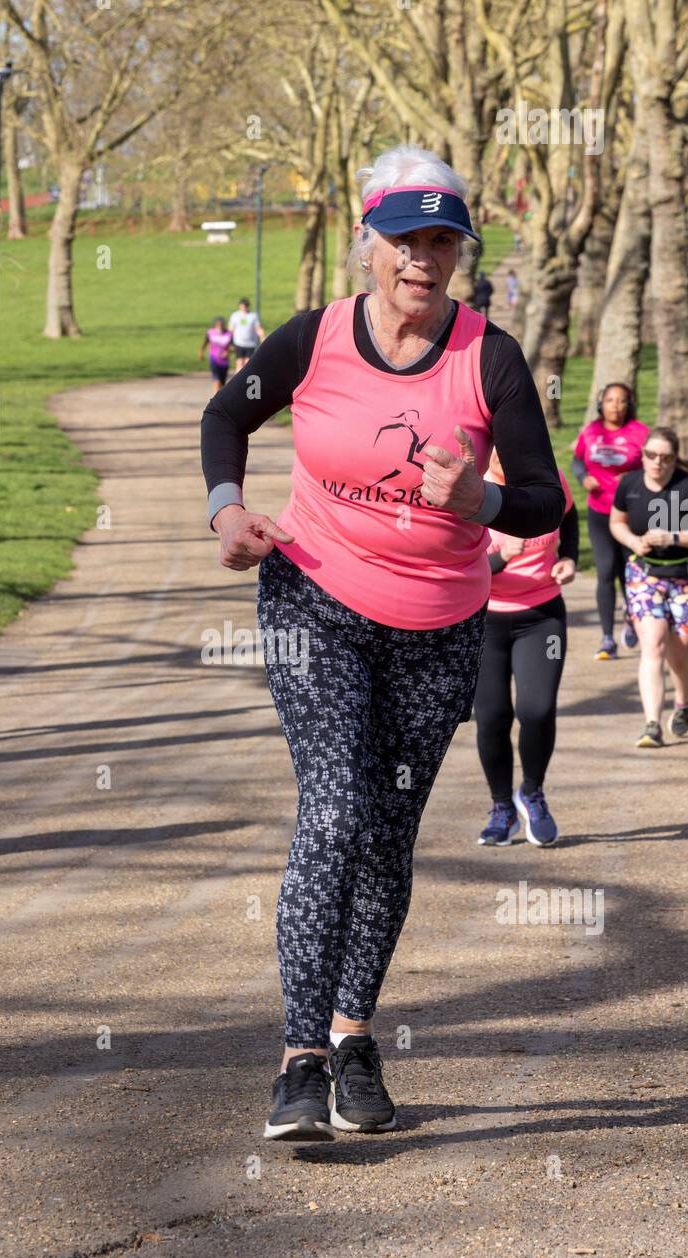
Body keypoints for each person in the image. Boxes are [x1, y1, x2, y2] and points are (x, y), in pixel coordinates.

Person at [201, 143, 563, 1142]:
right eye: (402, 237)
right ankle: (298, 1058)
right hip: (312, 601)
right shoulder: (313, 338)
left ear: (457, 251)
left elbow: (545, 506)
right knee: (332, 808)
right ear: (368, 243)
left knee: (387, 834)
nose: (419, 255)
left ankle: (355, 1036)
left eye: (439, 238)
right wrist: (228, 513)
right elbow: (222, 417)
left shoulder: (486, 355)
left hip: (438, 629)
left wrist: (480, 497)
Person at [474, 454, 578, 847]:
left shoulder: (547, 478)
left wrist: (568, 557)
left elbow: (568, 515)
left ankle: (532, 793)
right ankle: (502, 809)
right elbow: (455, 563)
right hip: (485, 617)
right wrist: (502, 557)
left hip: (542, 614)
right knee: (494, 717)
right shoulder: (470, 487)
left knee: (536, 710)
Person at [609, 426, 688, 748]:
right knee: (653, 645)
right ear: (642, 454)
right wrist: (632, 541)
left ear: (675, 459)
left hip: (683, 576)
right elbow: (617, 521)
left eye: (666, 458)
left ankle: (682, 704)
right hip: (643, 575)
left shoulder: (685, 486)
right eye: (651, 455)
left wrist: (672, 538)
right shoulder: (628, 484)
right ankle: (652, 723)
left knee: (681, 649)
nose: (657, 463)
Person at [572, 383, 649, 658]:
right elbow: (577, 461)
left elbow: (654, 469)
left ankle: (631, 618)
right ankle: (607, 639)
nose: (615, 405)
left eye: (621, 401)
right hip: (599, 512)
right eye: (610, 400)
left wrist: (632, 480)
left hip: (632, 514)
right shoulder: (591, 431)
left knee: (628, 572)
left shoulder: (641, 434)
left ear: (630, 404)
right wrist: (584, 478)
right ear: (600, 404)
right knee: (605, 571)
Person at [227, 297, 265, 373]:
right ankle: (238, 379)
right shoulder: (235, 315)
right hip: (239, 342)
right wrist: (229, 341)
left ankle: (246, 379)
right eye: (242, 305)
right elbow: (231, 329)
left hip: (250, 343)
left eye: (245, 305)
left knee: (248, 362)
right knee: (239, 362)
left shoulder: (253, 316)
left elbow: (258, 328)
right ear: (239, 306)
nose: (244, 307)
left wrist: (262, 337)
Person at [198, 316, 233, 395]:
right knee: (216, 380)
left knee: (223, 382)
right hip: (214, 359)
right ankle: (214, 399)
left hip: (224, 361)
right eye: (218, 325)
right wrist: (201, 352)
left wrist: (228, 352)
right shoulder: (210, 332)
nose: (219, 326)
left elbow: (233, 347)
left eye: (221, 324)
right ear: (215, 325)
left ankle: (220, 398)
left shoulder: (228, 334)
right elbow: (205, 343)